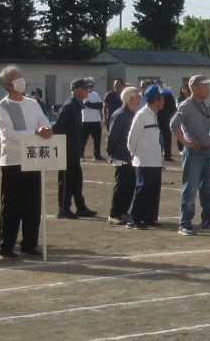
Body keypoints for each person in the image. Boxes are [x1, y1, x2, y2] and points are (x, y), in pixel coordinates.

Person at [0, 64, 53, 257]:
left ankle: (29, 244)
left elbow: (44, 122)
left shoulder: (32, 104)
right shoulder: (3, 107)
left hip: (33, 159)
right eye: (17, 78)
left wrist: (46, 129)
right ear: (8, 85)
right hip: (13, 161)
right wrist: (35, 132)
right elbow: (9, 133)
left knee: (33, 205)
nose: (22, 80)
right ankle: (6, 247)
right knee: (11, 206)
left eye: (21, 76)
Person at [171, 75, 210, 235]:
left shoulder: (204, 106)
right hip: (193, 153)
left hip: (205, 153)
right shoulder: (186, 105)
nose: (208, 89)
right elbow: (174, 124)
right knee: (190, 189)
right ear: (196, 88)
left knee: (208, 190)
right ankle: (184, 223)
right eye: (205, 86)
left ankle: (207, 221)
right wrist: (185, 141)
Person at [52, 78, 99, 220]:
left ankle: (81, 207)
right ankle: (63, 209)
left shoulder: (76, 106)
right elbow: (58, 128)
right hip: (67, 150)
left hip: (73, 150)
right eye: (85, 88)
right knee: (67, 180)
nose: (87, 91)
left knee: (77, 180)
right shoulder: (69, 106)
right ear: (76, 90)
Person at [126, 85, 167, 230]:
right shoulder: (142, 115)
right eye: (162, 98)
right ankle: (134, 219)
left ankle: (149, 218)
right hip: (144, 160)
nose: (164, 101)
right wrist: (134, 154)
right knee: (142, 189)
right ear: (156, 99)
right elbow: (132, 137)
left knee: (153, 190)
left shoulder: (153, 115)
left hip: (154, 161)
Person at [106, 86, 141, 224]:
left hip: (130, 156)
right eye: (137, 96)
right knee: (121, 186)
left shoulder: (131, 114)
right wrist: (111, 153)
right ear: (130, 99)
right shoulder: (120, 115)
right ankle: (114, 214)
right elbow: (112, 136)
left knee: (130, 185)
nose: (139, 99)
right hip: (121, 155)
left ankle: (123, 212)